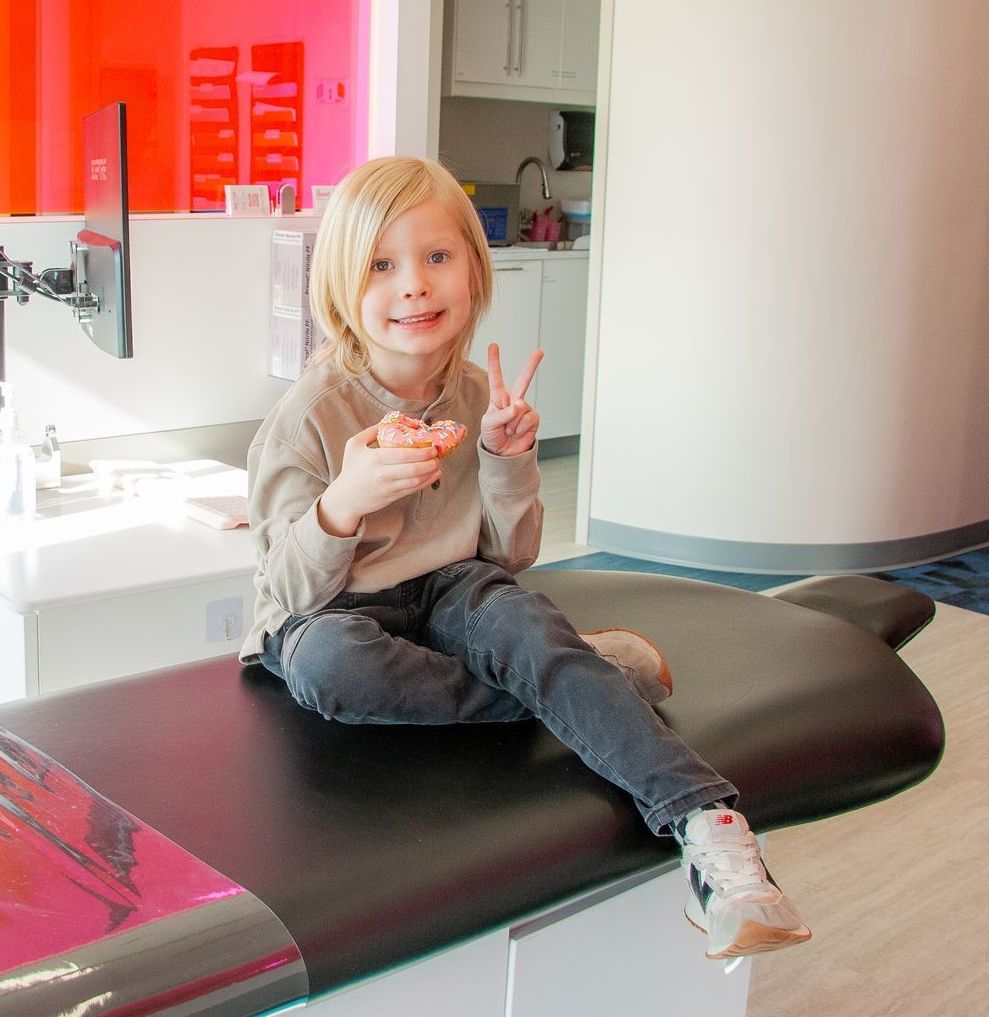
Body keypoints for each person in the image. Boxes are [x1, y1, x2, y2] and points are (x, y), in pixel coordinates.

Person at [239, 154, 811, 960]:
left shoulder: (476, 395)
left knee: (519, 619)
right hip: (332, 612)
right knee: (332, 666)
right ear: (339, 286)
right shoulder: (308, 415)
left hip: (449, 589)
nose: (414, 285)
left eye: (437, 257)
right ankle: (586, 675)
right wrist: (346, 501)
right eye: (382, 264)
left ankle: (711, 834)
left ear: (473, 271)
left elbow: (507, 559)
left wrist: (508, 459)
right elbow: (284, 592)